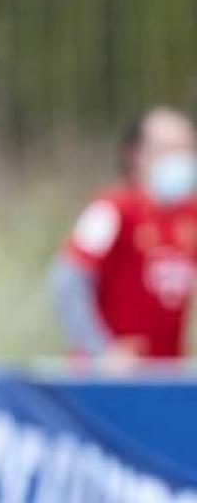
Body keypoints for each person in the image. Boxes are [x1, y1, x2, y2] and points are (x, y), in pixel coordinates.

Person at [51, 106, 197, 367]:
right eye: (169, 149)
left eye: (186, 149)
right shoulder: (112, 210)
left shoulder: (191, 215)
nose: (180, 159)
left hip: (166, 373)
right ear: (136, 154)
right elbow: (67, 282)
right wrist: (101, 351)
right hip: (108, 379)